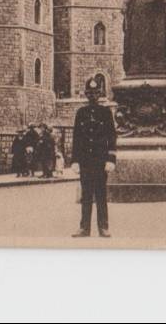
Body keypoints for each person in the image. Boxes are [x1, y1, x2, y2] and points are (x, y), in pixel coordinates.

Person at [70, 77, 117, 238]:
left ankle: (103, 227)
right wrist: (75, 160)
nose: (92, 96)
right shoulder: (81, 113)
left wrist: (111, 159)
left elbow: (112, 137)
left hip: (100, 161)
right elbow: (76, 138)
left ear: (100, 94)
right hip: (85, 162)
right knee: (86, 195)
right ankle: (84, 228)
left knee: (101, 195)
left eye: (95, 93)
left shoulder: (105, 113)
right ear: (86, 94)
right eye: (90, 93)